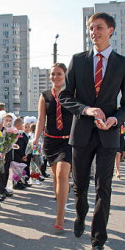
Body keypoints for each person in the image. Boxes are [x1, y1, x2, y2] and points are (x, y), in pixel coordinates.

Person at [59, 12, 125, 250]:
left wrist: (115, 120)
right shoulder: (78, 61)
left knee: (104, 188)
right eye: (91, 29)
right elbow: (65, 96)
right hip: (81, 133)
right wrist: (86, 110)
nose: (94, 32)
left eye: (99, 28)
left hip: (107, 134)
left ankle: (98, 243)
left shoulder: (123, 63)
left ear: (110, 30)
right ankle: (80, 212)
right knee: (80, 186)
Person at [32, 63, 73, 231]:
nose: (55, 77)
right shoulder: (45, 96)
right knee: (56, 178)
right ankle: (60, 206)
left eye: (59, 74)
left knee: (62, 173)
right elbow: (41, 119)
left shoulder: (72, 93)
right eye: (53, 74)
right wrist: (36, 139)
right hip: (51, 141)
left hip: (68, 141)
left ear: (65, 75)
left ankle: (60, 217)